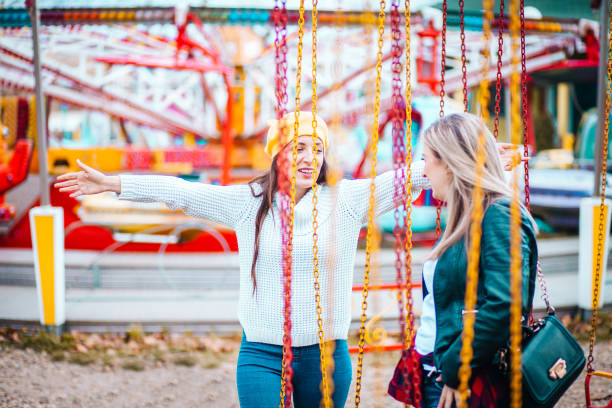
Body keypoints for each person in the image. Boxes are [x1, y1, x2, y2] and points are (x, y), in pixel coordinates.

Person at [55, 111, 521, 408]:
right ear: (277, 152)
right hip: (261, 352)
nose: (309, 156)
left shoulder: (347, 200)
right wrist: (116, 183)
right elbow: (182, 193)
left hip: (326, 354)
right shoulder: (247, 202)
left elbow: (410, 175)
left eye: (317, 147)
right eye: (298, 145)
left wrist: (477, 160)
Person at [388, 112, 538, 408]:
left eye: (427, 159)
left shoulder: (497, 214)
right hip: (438, 370)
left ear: (450, 162)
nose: (424, 170)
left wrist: (459, 368)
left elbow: (505, 304)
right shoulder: (469, 215)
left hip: (464, 379)